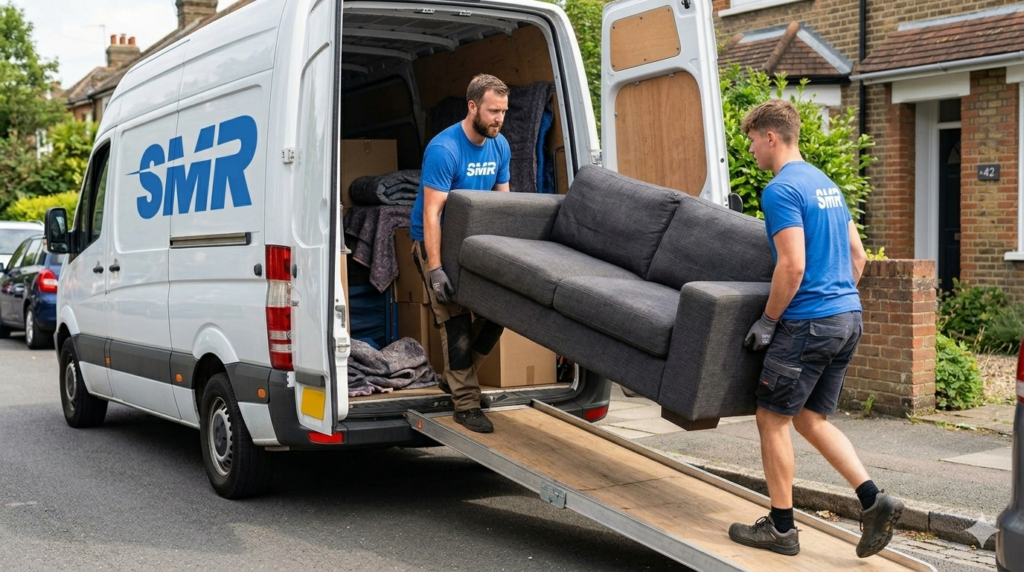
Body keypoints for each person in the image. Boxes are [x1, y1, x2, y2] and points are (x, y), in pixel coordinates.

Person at [729, 99, 904, 558]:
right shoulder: (826, 184)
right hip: (848, 317)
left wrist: (768, 321)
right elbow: (858, 257)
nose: (750, 151)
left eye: (751, 140)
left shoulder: (781, 190)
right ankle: (874, 499)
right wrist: (837, 301)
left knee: (770, 418)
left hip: (808, 322)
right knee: (807, 417)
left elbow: (792, 265)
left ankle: (782, 529)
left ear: (770, 137)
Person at [409, 74, 511, 434]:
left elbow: (504, 206)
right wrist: (434, 268)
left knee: (496, 315)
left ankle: (454, 380)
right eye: (492, 111)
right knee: (454, 321)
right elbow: (432, 213)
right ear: (472, 107)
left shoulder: (500, 146)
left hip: (475, 242)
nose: (499, 118)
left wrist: (504, 260)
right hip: (436, 242)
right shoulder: (444, 149)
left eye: (503, 111)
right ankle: (465, 404)